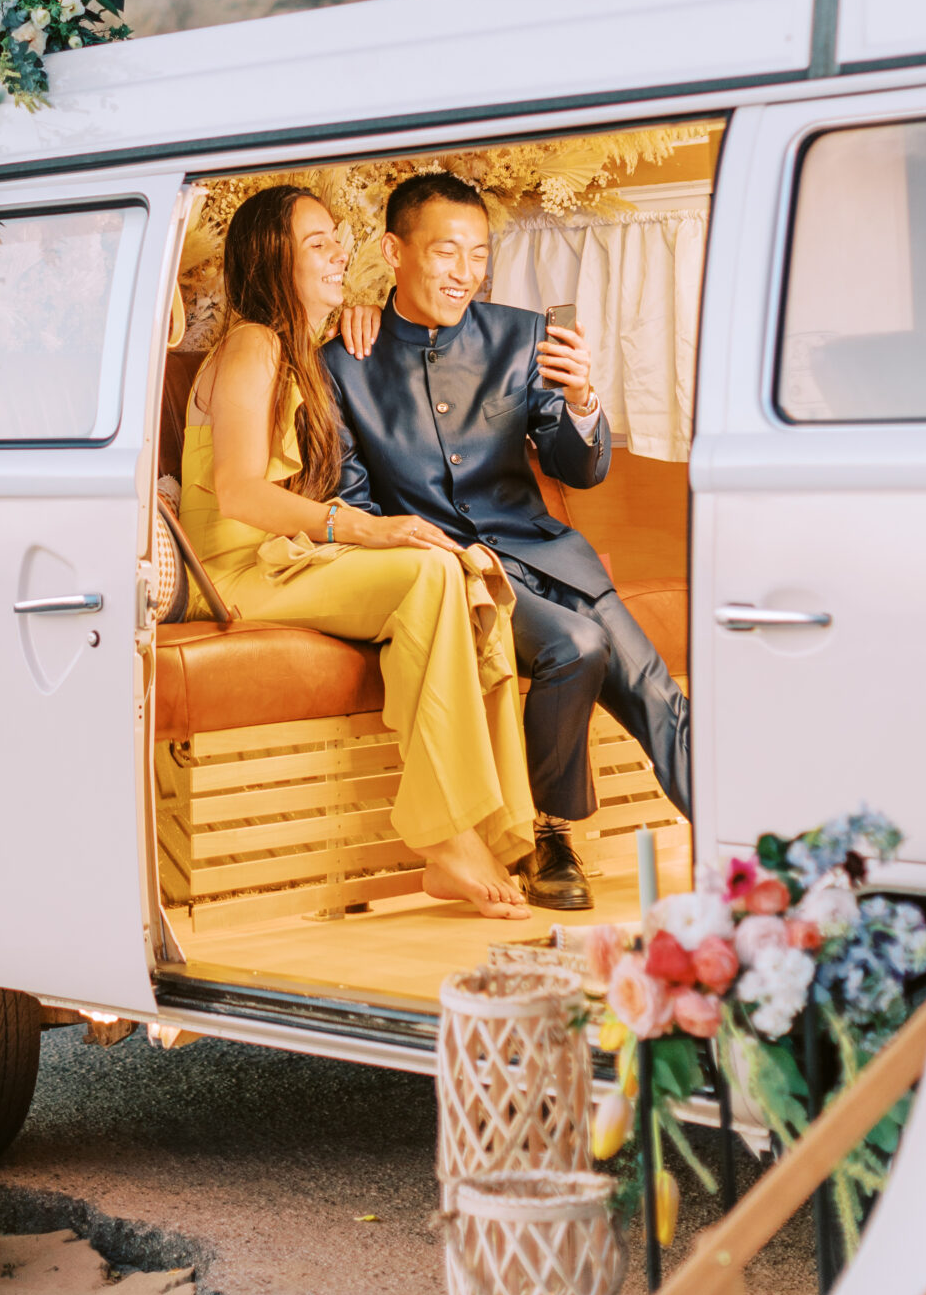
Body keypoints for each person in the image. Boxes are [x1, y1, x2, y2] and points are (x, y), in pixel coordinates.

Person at [324, 170, 691, 913]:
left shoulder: (523, 336)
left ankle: (752, 846)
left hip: (550, 555)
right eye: (446, 252)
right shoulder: (343, 361)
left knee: (660, 697)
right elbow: (355, 498)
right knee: (576, 647)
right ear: (394, 252)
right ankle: (546, 834)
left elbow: (578, 469)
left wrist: (584, 399)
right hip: (458, 571)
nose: (467, 272)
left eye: (479, 253)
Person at [179, 183, 535, 920]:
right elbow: (241, 492)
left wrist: (356, 314)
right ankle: (447, 838)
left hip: (283, 559)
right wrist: (366, 528)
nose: (340, 251)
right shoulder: (253, 343)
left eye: (337, 237)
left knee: (464, 569)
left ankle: (486, 819)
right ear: (273, 258)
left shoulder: (299, 349)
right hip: (238, 573)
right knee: (427, 570)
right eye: (318, 243)